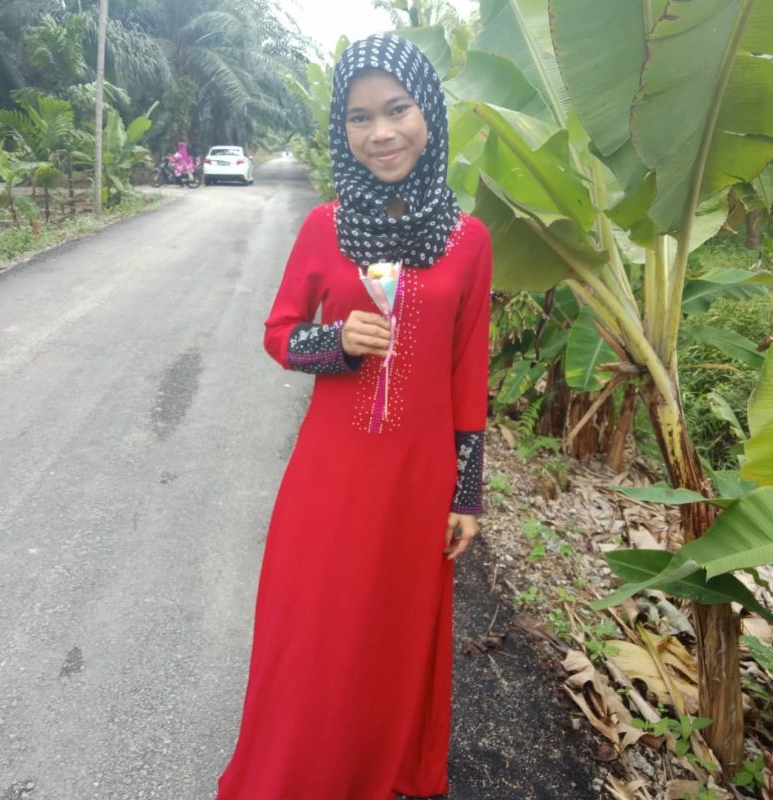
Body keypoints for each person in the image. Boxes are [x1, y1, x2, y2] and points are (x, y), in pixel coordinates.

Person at [215, 33, 492, 800]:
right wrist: (333, 342)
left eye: (397, 110)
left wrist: (467, 493)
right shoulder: (325, 227)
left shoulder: (468, 242)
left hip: (417, 480)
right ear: (343, 130)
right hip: (331, 474)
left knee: (392, 632)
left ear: (427, 113)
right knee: (312, 630)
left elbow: (469, 373)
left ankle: (378, 767)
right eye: (360, 118)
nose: (381, 133)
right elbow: (279, 334)